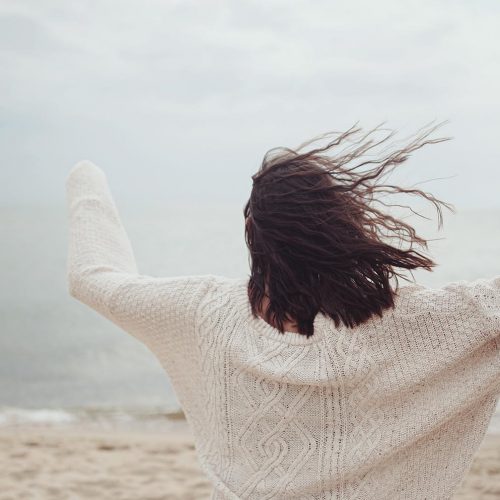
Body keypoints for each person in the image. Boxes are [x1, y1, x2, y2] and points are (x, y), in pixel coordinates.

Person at [65, 122, 500, 499]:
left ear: (251, 230)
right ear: (343, 226)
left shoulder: (204, 314)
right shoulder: (412, 325)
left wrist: (87, 178)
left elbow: (95, 278)